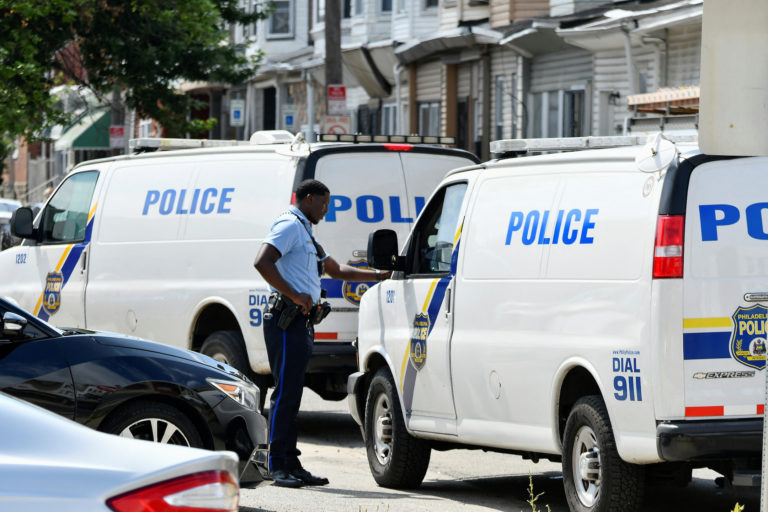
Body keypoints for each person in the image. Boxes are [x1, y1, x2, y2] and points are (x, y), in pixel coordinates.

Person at [253, 179, 391, 488]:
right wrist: (295, 295)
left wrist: (380, 276)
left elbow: (337, 270)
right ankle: (277, 465)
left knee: (293, 394)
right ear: (310, 198)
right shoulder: (289, 225)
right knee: (285, 395)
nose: (327, 210)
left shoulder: (306, 231)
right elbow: (262, 261)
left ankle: (291, 463)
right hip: (285, 320)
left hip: (301, 323)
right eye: (324, 204)